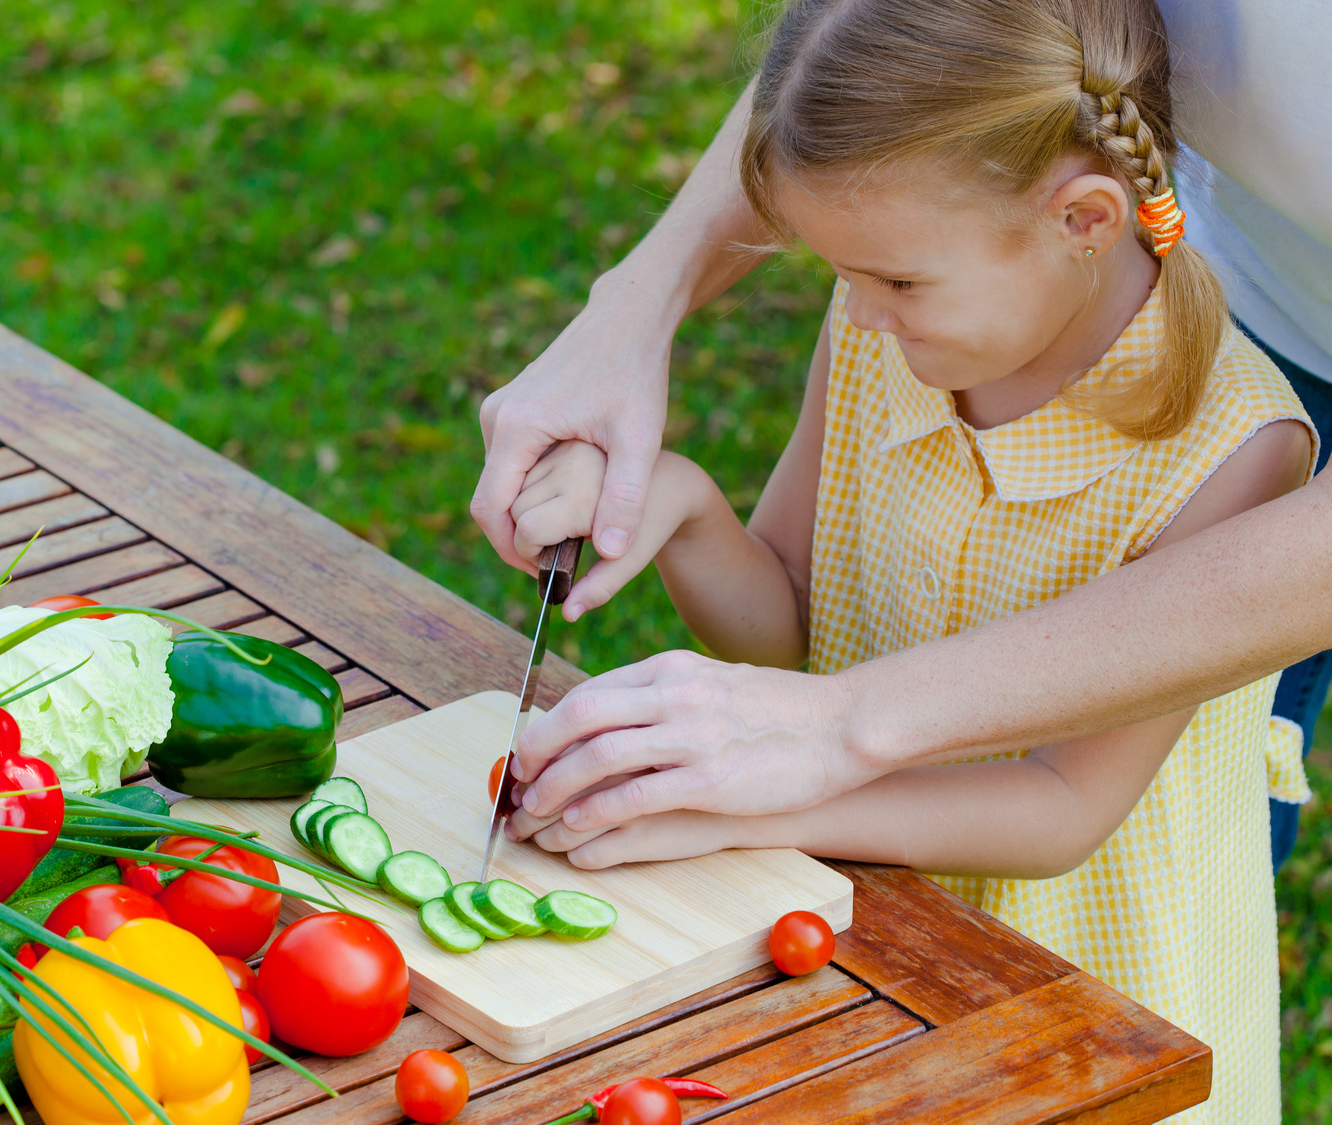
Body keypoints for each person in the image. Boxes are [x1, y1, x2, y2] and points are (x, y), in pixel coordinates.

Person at [491, 1, 1313, 1119]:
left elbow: (1057, 809)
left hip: (1090, 1010)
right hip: (878, 933)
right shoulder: (893, 324)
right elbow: (786, 625)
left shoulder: (1234, 449)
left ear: (1081, 218)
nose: (860, 314)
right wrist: (681, 508)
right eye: (847, 277)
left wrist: (754, 809)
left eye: (896, 285)